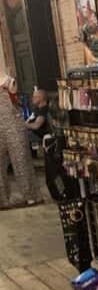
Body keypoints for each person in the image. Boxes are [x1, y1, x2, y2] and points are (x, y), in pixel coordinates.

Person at [0, 72, 39, 207]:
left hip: (14, 126)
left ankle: (30, 196)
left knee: (21, 160)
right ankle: (2, 199)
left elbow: (13, 92)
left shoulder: (8, 81)